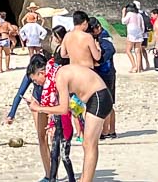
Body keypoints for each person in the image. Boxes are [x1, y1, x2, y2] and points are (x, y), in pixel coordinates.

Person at [27, 54, 111, 182]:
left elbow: (63, 109)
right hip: (94, 98)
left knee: (89, 144)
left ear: (42, 73)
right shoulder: (57, 72)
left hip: (99, 97)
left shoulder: (59, 77)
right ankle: (84, 178)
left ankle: (86, 180)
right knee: (87, 144)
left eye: (35, 80)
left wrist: (39, 108)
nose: (36, 83)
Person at [4, 59, 52, 180]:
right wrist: (11, 114)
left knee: (55, 138)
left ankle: (54, 170)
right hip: (38, 103)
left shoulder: (51, 74)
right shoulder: (30, 75)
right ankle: (48, 174)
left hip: (52, 103)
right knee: (42, 138)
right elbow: (20, 94)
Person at [88, 18, 118, 140]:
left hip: (106, 73)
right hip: (108, 73)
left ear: (97, 28)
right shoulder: (102, 36)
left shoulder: (103, 37)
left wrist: (99, 61)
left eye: (91, 30)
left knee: (106, 102)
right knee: (109, 103)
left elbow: (111, 50)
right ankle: (111, 130)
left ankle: (106, 131)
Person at [121, 4, 146, 74]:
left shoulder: (129, 14)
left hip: (132, 34)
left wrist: (123, 13)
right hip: (139, 34)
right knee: (137, 52)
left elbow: (123, 22)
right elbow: (142, 26)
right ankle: (138, 69)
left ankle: (134, 66)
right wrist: (141, 33)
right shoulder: (139, 15)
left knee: (128, 50)